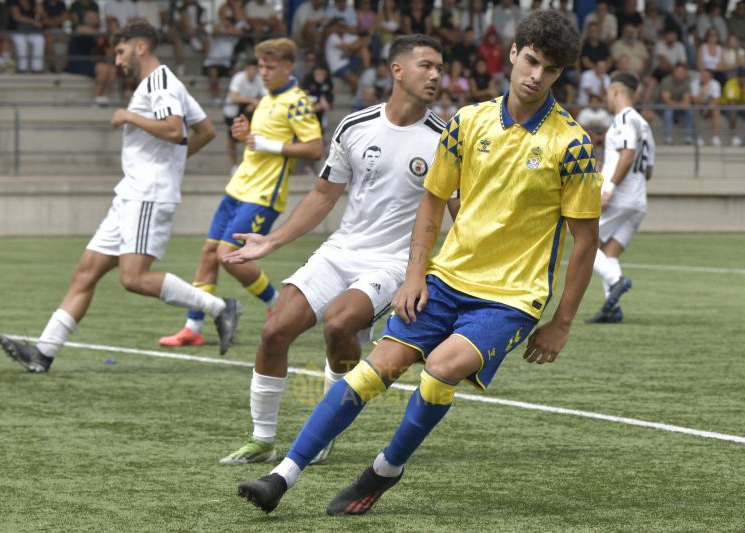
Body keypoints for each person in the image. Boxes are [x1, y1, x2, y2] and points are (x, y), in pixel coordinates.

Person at [237, 10, 601, 516]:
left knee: (440, 369)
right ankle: (281, 475)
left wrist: (561, 323)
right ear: (514, 53)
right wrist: (414, 276)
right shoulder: (468, 122)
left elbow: (586, 240)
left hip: (511, 297)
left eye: (552, 69)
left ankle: (384, 470)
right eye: (533, 60)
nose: (537, 76)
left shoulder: (574, 145)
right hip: (445, 279)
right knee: (374, 369)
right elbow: (432, 201)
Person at [218, 34, 452, 467]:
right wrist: (272, 241)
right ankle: (262, 438)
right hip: (341, 250)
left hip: (393, 262)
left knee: (339, 326)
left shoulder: (445, 138)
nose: (436, 75)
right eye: (426, 65)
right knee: (274, 331)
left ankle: (322, 432)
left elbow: (461, 211)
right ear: (396, 70)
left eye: (440, 67)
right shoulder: (354, 126)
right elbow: (323, 196)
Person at [0, 21, 238, 373]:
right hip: (132, 193)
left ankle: (220, 308)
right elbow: (206, 130)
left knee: (134, 278)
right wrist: (173, 163)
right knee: (85, 273)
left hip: (147, 194)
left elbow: (174, 130)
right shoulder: (167, 81)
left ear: (140, 47)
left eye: (121, 51)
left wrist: (130, 116)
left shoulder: (159, 82)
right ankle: (42, 354)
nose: (118, 59)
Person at [157, 37, 323, 348]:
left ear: (288, 67)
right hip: (238, 188)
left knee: (226, 255)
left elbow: (315, 148)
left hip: (263, 196)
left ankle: (276, 303)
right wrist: (247, 136)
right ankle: (193, 327)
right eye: (260, 66)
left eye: (270, 67)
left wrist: (267, 144)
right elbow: (262, 142)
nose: (263, 72)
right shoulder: (266, 98)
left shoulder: (296, 100)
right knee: (209, 253)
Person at [586, 72, 654, 324]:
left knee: (586, 244)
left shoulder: (624, 118)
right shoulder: (644, 125)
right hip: (638, 201)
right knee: (608, 252)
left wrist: (610, 186)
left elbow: (627, 154)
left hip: (618, 196)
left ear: (615, 91)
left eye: (607, 92)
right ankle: (611, 309)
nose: (606, 97)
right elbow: (648, 170)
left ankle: (616, 282)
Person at [222, 58, 266, 170]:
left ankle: (247, 164)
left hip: (247, 111)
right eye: (252, 69)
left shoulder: (259, 79)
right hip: (232, 111)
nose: (254, 71)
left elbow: (265, 96)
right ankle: (234, 165)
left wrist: (254, 104)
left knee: (250, 136)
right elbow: (234, 97)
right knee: (232, 138)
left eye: (256, 69)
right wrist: (252, 101)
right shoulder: (238, 78)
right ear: (247, 68)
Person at [658, 62, 694, 145]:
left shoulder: (686, 83)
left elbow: (687, 101)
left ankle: (688, 137)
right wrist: (681, 104)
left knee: (690, 111)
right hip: (660, 106)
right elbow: (666, 100)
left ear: (685, 73)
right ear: (673, 72)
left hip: (676, 107)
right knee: (668, 111)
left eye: (682, 72)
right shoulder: (666, 81)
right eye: (678, 72)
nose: (680, 74)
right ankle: (668, 137)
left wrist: (682, 104)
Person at [691, 68, 722, 147]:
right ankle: (698, 137)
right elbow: (695, 100)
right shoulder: (694, 83)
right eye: (702, 75)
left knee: (716, 110)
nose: (703, 78)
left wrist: (707, 108)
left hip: (710, 107)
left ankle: (715, 137)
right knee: (695, 108)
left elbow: (716, 101)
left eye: (706, 76)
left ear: (710, 77)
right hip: (699, 106)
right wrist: (702, 93)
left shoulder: (715, 84)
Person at [719, 66, 745, 146]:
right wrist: (742, 91)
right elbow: (733, 101)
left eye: (744, 77)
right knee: (734, 108)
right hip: (726, 106)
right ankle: (733, 134)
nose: (742, 79)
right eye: (740, 77)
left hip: (742, 107)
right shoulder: (731, 83)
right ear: (737, 77)